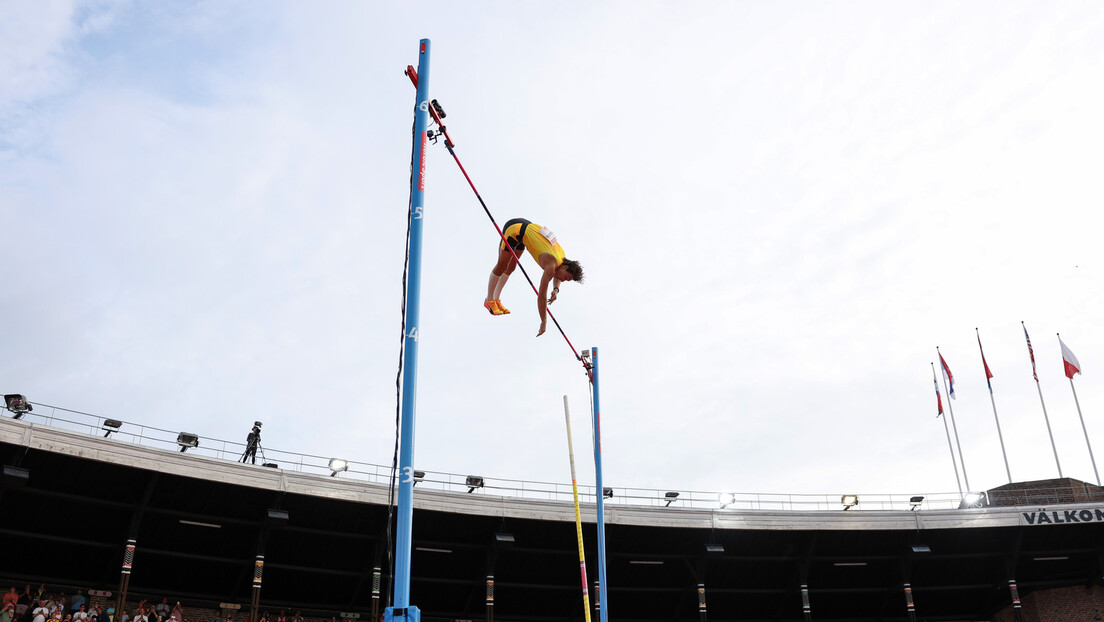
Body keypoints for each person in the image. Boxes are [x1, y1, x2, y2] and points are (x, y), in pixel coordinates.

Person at [483, 218, 584, 336]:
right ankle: (489, 300)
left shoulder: (561, 258)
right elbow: (541, 295)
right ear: (565, 268)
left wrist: (556, 289)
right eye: (566, 278)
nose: (563, 280)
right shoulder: (551, 265)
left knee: (511, 268)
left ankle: (496, 299)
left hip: (524, 234)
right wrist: (544, 321)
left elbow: (558, 275)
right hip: (515, 230)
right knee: (502, 265)